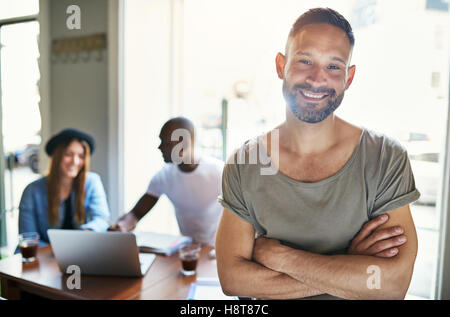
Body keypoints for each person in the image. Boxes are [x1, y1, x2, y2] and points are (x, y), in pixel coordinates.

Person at [216, 8, 420, 300]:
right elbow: (233, 279)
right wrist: (348, 264)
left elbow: (393, 284)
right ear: (280, 65)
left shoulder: (385, 158)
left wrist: (281, 258)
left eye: (334, 67)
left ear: (348, 79)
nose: (317, 78)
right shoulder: (244, 163)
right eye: (305, 60)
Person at [109, 117, 224, 246]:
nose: (159, 147)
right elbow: (136, 213)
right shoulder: (165, 176)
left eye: (165, 142)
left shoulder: (220, 173)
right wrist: (122, 226)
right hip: (188, 250)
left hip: (217, 251)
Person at [18, 128, 111, 248]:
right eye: (68, 154)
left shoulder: (92, 182)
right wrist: (61, 250)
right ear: (57, 156)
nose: (75, 161)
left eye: (81, 156)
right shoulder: (31, 191)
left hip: (84, 250)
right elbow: (27, 237)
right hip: (45, 257)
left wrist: (85, 234)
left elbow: (102, 219)